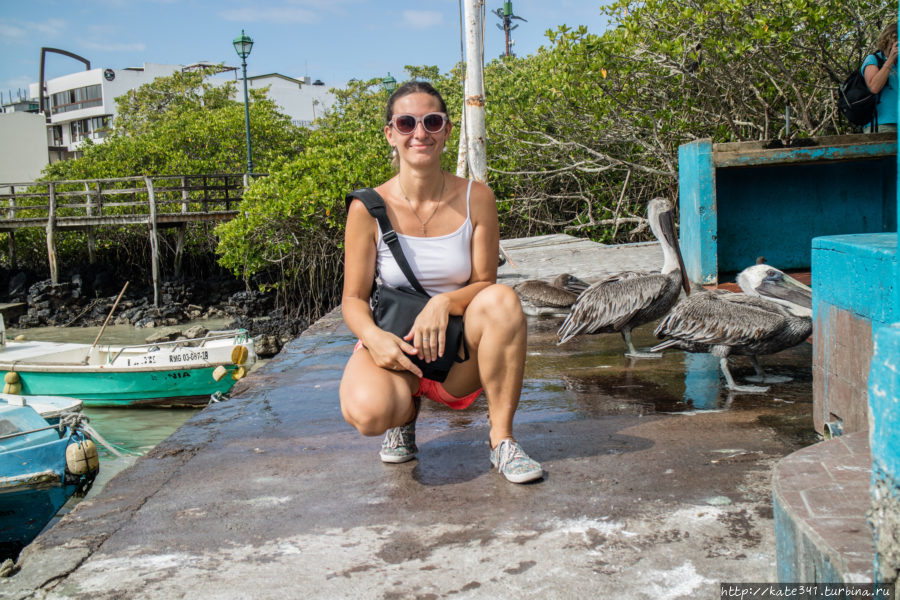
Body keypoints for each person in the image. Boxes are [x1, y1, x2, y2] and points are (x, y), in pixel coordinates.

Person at [339, 81, 542, 484]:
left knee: (504, 301)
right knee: (368, 413)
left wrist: (443, 303)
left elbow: (485, 282)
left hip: (456, 355)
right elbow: (353, 299)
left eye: (432, 122)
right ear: (390, 134)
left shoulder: (477, 198)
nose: (420, 133)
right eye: (406, 123)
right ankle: (403, 417)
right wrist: (375, 339)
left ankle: (501, 440)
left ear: (447, 131)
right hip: (396, 347)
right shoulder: (367, 208)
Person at [863, 21, 899, 133]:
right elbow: (874, 87)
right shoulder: (873, 60)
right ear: (886, 43)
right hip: (882, 125)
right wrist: (890, 60)